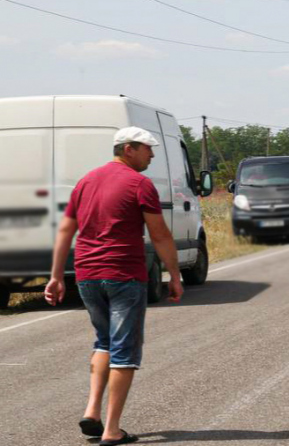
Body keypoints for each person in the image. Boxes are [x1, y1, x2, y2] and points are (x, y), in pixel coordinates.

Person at [44, 127, 183, 446]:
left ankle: (92, 412)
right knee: (125, 350)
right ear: (129, 149)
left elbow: (66, 230)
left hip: (87, 276)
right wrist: (174, 275)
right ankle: (112, 430)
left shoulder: (86, 181)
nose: (152, 154)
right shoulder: (139, 184)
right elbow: (160, 234)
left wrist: (55, 276)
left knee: (104, 341)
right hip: (124, 275)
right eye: (148, 149)